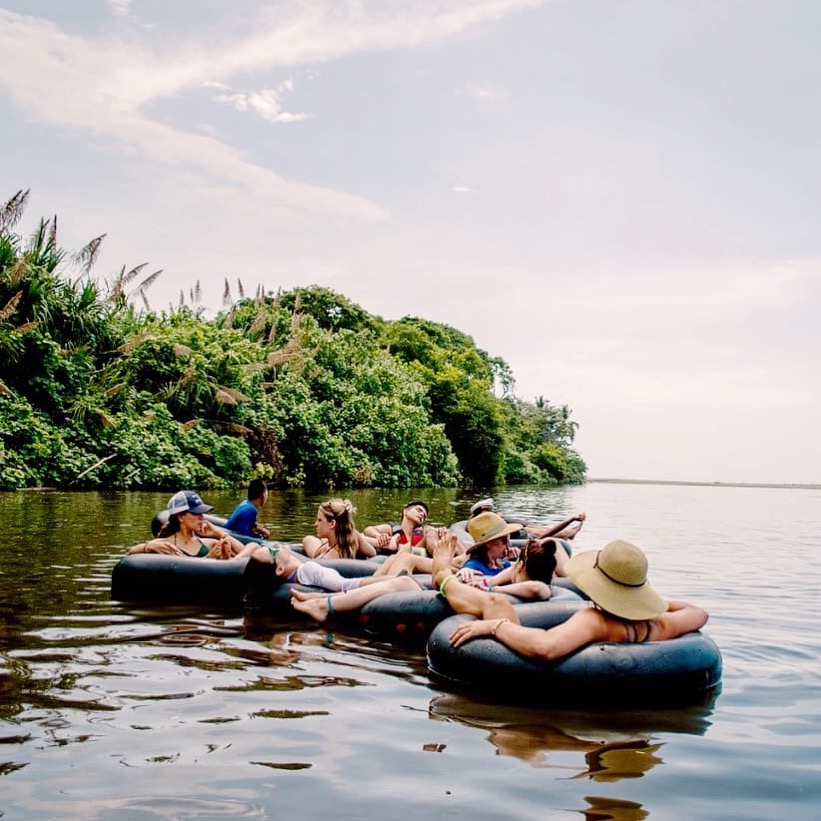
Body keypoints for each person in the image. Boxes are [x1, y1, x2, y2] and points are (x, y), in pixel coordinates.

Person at [435, 536, 709, 660]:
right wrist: (654, 606)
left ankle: (443, 576)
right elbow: (699, 613)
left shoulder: (596, 621)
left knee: (497, 606)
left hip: (536, 681)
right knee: (498, 602)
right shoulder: (660, 625)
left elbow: (545, 647)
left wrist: (493, 626)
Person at [290, 527, 559, 623]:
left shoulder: (537, 591)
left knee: (404, 581)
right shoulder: (508, 577)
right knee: (403, 580)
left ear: (520, 568)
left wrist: (489, 588)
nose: (510, 550)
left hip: (458, 610)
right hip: (468, 599)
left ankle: (325, 604)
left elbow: (537, 589)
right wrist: (481, 581)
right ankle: (323, 604)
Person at [129, 490, 257, 558]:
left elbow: (246, 552)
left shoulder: (210, 544)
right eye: (196, 513)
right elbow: (131, 555)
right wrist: (147, 547)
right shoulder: (166, 546)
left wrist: (218, 533)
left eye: (202, 513)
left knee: (252, 546)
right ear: (180, 517)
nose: (202, 518)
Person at [469, 498, 587, 541]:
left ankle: (567, 533)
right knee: (533, 531)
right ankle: (567, 533)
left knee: (532, 527)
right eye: (486, 511)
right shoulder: (477, 524)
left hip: (514, 532)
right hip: (515, 536)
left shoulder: (493, 519)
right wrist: (569, 520)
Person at [302, 498, 376, 560]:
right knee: (308, 539)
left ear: (332, 523)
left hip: (325, 556)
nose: (316, 524)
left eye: (319, 520)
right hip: (329, 546)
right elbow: (372, 552)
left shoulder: (330, 557)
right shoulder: (354, 535)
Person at [460, 511, 524, 576]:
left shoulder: (501, 564)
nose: (509, 545)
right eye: (505, 540)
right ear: (489, 543)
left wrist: (520, 556)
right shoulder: (473, 567)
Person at [363, 500, 431, 555]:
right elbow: (368, 530)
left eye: (424, 516)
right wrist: (379, 536)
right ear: (405, 511)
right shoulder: (392, 529)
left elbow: (433, 531)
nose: (422, 514)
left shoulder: (424, 531)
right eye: (419, 510)